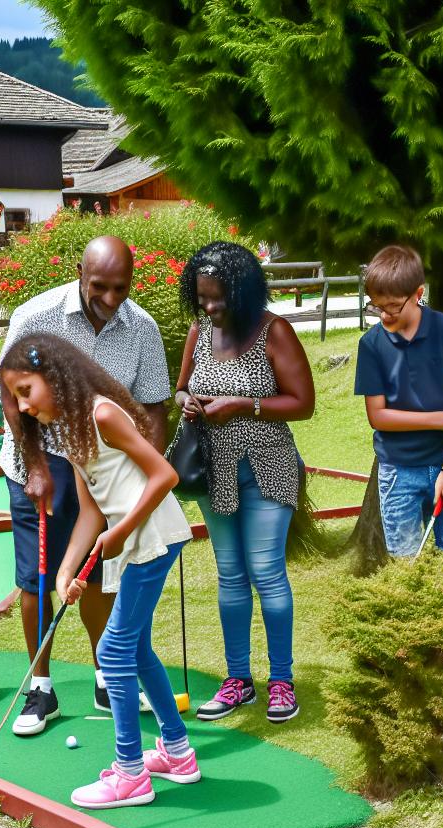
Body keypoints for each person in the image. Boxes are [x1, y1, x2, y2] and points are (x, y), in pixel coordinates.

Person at [0, 334, 196, 808]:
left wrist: (123, 529)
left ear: (54, 377)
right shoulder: (68, 430)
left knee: (112, 651)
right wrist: (67, 571)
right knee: (136, 648)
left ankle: (130, 773)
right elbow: (90, 511)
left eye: (26, 391)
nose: (22, 407)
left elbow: (163, 476)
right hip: (134, 541)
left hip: (152, 538)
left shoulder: (102, 414)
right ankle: (177, 753)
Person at [0, 235, 172, 736]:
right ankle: (40, 687)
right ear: (80, 271)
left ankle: (105, 674)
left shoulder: (141, 328)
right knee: (35, 577)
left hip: (100, 465)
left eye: (121, 287)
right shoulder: (37, 316)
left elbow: (154, 404)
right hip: (37, 462)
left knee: (95, 572)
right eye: (100, 286)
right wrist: (33, 464)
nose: (112, 298)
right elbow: (13, 395)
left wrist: (147, 473)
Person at [173, 242, 314, 724]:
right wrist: (186, 402)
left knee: (267, 571)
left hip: (269, 468)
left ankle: (281, 682)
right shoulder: (200, 330)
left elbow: (303, 402)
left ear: (244, 290)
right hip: (216, 471)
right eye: (203, 298)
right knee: (230, 574)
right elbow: (182, 385)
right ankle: (238, 681)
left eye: (219, 298)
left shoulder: (274, 331)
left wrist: (244, 405)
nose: (210, 307)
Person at [354, 244, 443, 558]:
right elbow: (378, 417)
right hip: (398, 471)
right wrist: (442, 419)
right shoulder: (370, 345)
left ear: (418, 293)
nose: (384, 314)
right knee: (405, 564)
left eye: (394, 306)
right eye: (377, 306)